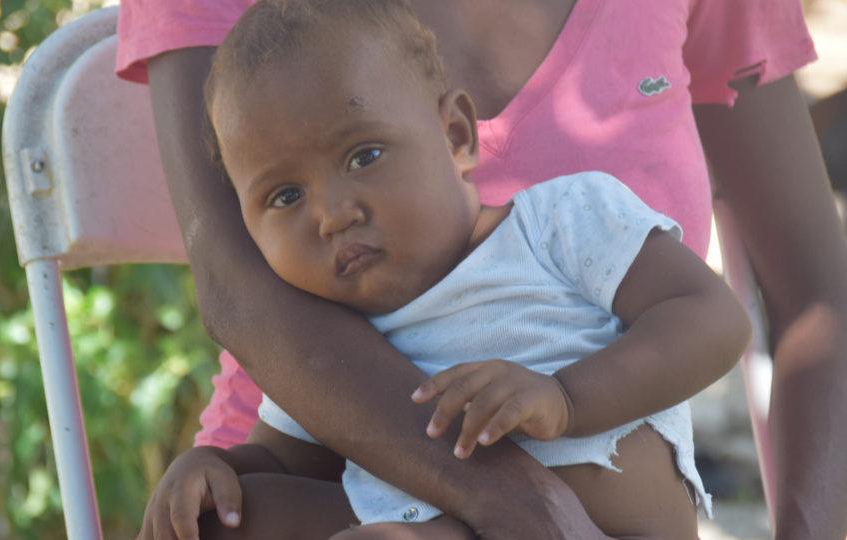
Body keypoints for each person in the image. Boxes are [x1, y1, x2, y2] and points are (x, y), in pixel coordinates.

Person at [118, 0, 847, 538]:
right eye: (285, 196)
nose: (332, 214)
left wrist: (564, 398)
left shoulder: (561, 222)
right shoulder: (334, 311)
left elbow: (732, 316)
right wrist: (222, 472)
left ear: (457, 134)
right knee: (224, 519)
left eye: (364, 157)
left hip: (602, 504)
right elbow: (278, 424)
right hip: (409, 505)